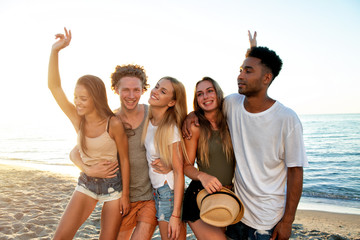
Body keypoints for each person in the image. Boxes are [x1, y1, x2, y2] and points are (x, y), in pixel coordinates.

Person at [183, 31, 308, 240]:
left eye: (248, 71)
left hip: (266, 221)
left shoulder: (287, 119)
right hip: (235, 210)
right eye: (240, 70)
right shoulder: (233, 104)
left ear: (267, 78)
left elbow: (295, 172)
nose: (240, 75)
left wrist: (288, 221)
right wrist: (191, 115)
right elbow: (208, 105)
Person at [48, 28, 130, 239]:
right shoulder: (78, 119)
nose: (77, 102)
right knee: (61, 236)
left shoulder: (113, 124)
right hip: (86, 183)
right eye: (76, 97)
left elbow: (125, 160)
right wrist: (55, 51)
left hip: (114, 189)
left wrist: (126, 197)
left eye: (83, 98)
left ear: (95, 98)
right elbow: (54, 87)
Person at [70, 64, 168, 240]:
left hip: (150, 196)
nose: (131, 96)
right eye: (126, 90)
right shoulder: (110, 121)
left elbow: (177, 126)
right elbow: (76, 151)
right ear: (116, 89)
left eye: (136, 90)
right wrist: (87, 169)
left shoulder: (153, 114)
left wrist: (192, 121)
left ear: (142, 90)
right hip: (120, 198)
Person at [182, 77, 235, 240]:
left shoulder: (232, 121)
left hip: (229, 197)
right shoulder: (195, 126)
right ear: (196, 100)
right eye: (200, 94)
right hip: (201, 196)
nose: (205, 96)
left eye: (209, 91)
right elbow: (186, 166)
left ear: (218, 94)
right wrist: (202, 176)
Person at [142, 77, 187, 240]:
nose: (155, 91)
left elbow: (179, 172)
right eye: (156, 87)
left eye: (163, 91)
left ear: (172, 102)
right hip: (157, 191)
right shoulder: (150, 120)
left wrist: (175, 215)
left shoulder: (170, 128)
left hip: (168, 193)